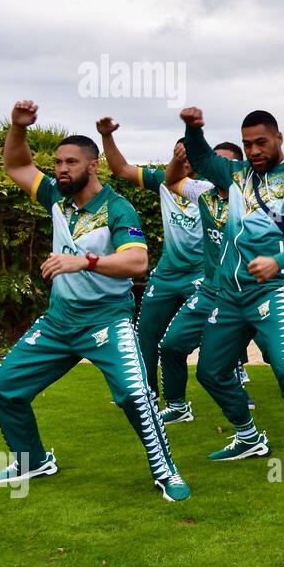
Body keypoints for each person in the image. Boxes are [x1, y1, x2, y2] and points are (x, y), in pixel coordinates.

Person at [0, 101, 190, 500]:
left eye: (71, 163)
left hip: (106, 323)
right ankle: (32, 461)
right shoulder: (55, 198)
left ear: (92, 166)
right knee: (3, 389)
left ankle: (165, 472)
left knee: (136, 395)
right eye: (58, 162)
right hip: (58, 323)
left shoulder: (117, 206)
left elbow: (137, 260)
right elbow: (17, 166)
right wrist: (17, 127)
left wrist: (86, 261)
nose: (61, 169)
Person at [179, 107, 284, 499]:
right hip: (229, 296)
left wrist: (280, 261)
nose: (253, 150)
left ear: (279, 138)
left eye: (261, 142)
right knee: (210, 372)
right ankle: (248, 436)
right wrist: (193, 129)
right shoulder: (236, 176)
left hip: (273, 291)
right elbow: (199, 159)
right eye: (247, 144)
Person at [95, 119, 206, 403]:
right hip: (167, 275)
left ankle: (228, 387)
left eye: (187, 153)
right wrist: (106, 136)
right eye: (177, 153)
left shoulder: (211, 187)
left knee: (207, 334)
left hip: (202, 274)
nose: (183, 158)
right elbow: (120, 169)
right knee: (145, 336)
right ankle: (147, 396)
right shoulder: (162, 181)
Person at [154, 140, 253, 424]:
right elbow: (171, 179)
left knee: (282, 364)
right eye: (210, 160)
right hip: (211, 290)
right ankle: (177, 406)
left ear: (235, 168)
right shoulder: (202, 192)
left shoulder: (250, 198)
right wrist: (178, 155)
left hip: (251, 291)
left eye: (221, 162)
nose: (212, 166)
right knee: (171, 344)